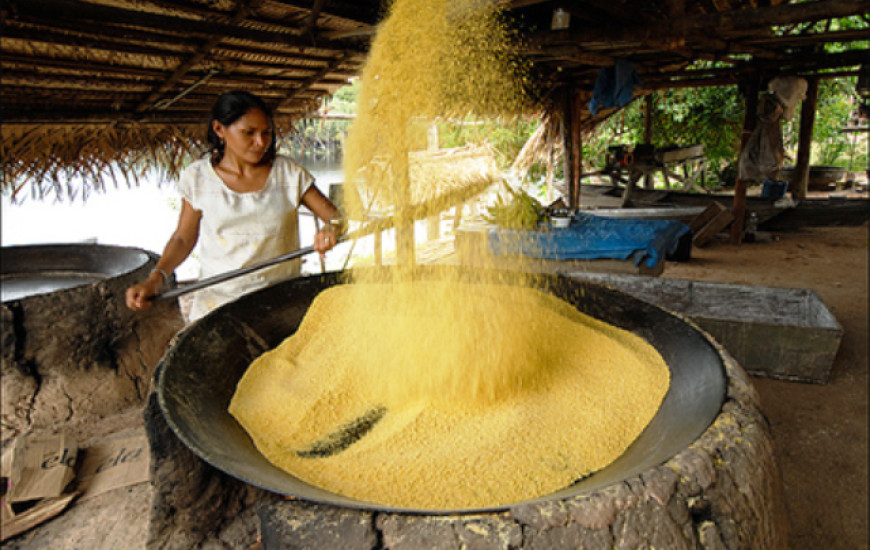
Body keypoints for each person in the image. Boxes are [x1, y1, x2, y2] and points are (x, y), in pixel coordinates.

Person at [126, 91, 344, 320]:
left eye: (266, 132)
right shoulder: (198, 178)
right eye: (248, 133)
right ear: (220, 130)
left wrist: (331, 229)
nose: (260, 142)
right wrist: (155, 280)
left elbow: (336, 217)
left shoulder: (288, 174)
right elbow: (182, 238)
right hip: (218, 305)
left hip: (281, 302)